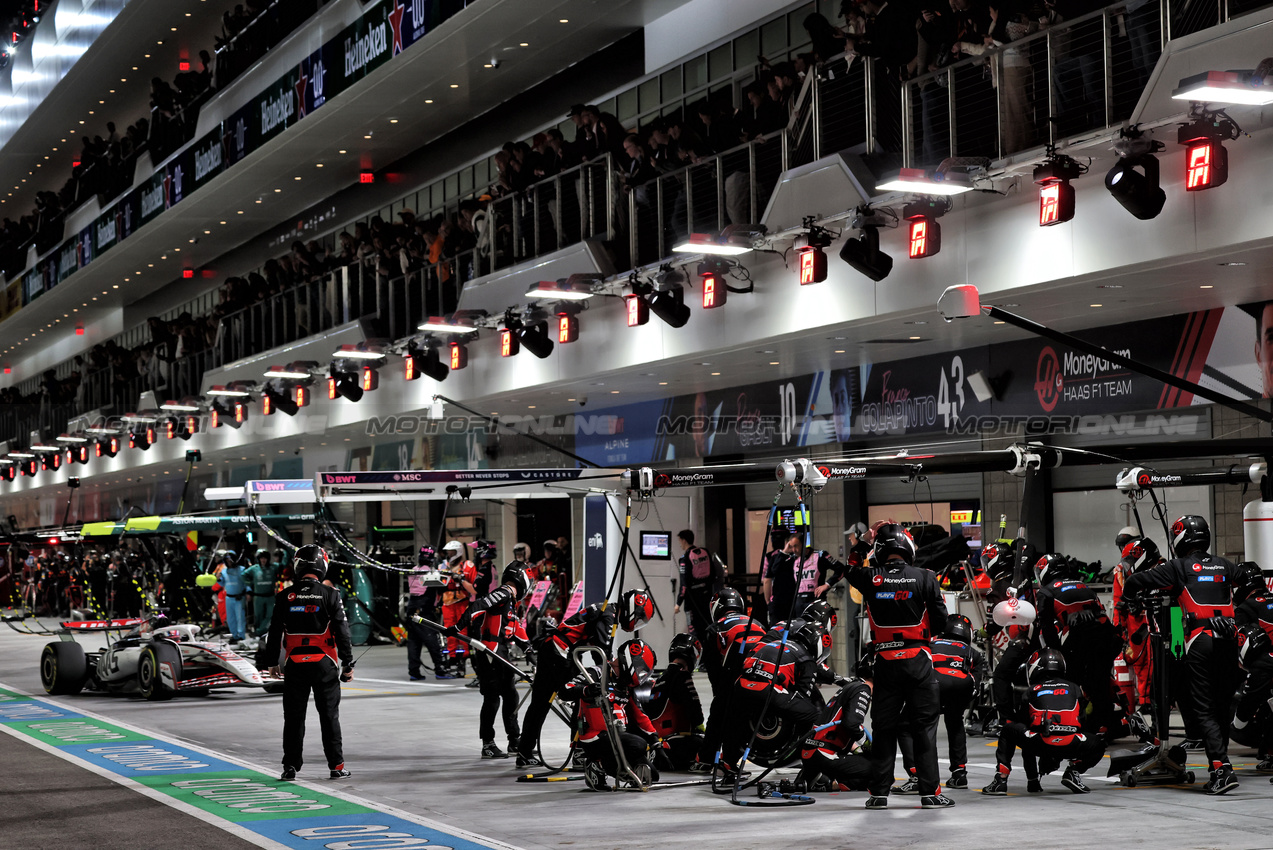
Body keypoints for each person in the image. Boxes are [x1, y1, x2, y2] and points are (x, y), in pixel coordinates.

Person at [1123, 515, 1242, 795]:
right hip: (1230, 640)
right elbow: (1251, 579)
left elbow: (1136, 582)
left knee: (1204, 709)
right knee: (1223, 708)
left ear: (1179, 540)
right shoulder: (1224, 565)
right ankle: (1217, 768)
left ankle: (1222, 769)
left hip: (1200, 642)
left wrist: (1129, 601)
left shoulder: (1177, 567)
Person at [845, 523, 953, 809]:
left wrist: (864, 542)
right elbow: (941, 619)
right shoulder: (926, 577)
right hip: (918, 660)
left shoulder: (870, 577)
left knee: (884, 728)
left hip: (885, 662)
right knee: (924, 727)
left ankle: (878, 794)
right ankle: (930, 793)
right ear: (908, 548)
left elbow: (850, 567)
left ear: (881, 550)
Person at [515, 588, 652, 767]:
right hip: (560, 653)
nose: (636, 623)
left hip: (552, 649)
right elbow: (602, 653)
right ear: (633, 609)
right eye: (639, 617)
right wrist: (612, 675)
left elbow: (598, 651)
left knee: (539, 705)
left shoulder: (606, 611)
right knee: (580, 696)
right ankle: (579, 751)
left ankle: (524, 751)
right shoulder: (608, 616)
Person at [263, 544, 354, 781]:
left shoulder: (284, 596)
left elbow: (273, 632)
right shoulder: (331, 594)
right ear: (323, 565)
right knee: (329, 716)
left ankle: (290, 767)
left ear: (298, 566)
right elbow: (342, 631)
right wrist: (348, 664)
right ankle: (336, 766)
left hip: (294, 664)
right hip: (324, 664)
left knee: (293, 717)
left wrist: (272, 661)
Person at [981, 649, 1105, 795]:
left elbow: (1025, 724)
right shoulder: (1074, 688)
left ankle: (1001, 780)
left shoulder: (1032, 690)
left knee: (1010, 730)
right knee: (1099, 743)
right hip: (1071, 743)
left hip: (1041, 742)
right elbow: (1082, 720)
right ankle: (1074, 771)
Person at [725, 618, 834, 775]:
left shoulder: (774, 643)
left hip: (740, 686)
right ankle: (810, 761)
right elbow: (803, 695)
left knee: (737, 718)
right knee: (814, 715)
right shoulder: (806, 659)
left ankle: (727, 762)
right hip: (766, 689)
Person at [1031, 554, 1119, 737]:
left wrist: (1055, 652)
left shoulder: (1046, 592)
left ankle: (1075, 720)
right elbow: (1100, 613)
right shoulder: (1083, 585)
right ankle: (1107, 722)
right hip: (1107, 637)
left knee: (1072, 680)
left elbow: (1046, 627)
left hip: (1080, 641)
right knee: (1099, 681)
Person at [896, 614, 984, 791]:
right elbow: (976, 684)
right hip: (962, 687)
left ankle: (915, 775)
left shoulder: (931, 643)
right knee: (955, 722)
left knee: (906, 725)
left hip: (934, 684)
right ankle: (959, 774)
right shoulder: (973, 652)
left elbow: (915, 667)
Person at [560, 639, 662, 790]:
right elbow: (565, 690)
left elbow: (640, 715)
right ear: (630, 661)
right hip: (595, 737)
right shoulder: (597, 672)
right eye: (640, 669)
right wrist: (586, 690)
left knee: (652, 776)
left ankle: (607, 767)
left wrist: (655, 741)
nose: (641, 675)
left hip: (618, 736)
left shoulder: (626, 686)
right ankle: (596, 764)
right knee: (638, 744)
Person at [462, 565, 532, 759]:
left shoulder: (509, 598)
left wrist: (528, 648)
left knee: (511, 697)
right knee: (492, 700)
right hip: (488, 652)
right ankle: (488, 744)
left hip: (500, 652)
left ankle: (514, 741)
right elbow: (478, 605)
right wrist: (458, 626)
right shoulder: (503, 593)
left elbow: (515, 626)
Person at [695, 588, 766, 772]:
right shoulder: (757, 623)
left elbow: (714, 670)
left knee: (720, 711)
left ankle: (706, 759)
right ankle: (732, 758)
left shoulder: (715, 628)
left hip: (734, 676)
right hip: (764, 676)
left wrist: (719, 693)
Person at [799, 655, 874, 792]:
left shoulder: (851, 686)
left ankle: (818, 777)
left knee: (866, 766)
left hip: (813, 752)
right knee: (881, 769)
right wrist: (868, 745)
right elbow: (851, 724)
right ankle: (828, 781)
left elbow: (839, 725)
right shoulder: (863, 689)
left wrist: (858, 750)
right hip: (824, 753)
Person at [646, 633, 706, 771]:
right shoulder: (683, 675)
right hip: (676, 743)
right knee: (710, 744)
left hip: (657, 743)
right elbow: (696, 716)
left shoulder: (658, 680)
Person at [1231, 625, 1273, 771]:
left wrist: (1230, 725)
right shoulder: (1268, 659)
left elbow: (1243, 715)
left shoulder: (1260, 668)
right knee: (1268, 705)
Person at [405, 545, 450, 680]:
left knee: (414, 642)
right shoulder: (431, 573)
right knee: (432, 640)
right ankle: (440, 670)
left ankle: (414, 672)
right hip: (424, 610)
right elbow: (444, 586)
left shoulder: (413, 570)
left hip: (411, 609)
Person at [675, 529, 725, 640]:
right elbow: (713, 575)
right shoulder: (705, 552)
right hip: (707, 597)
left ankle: (698, 653)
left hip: (692, 600)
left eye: (680, 540)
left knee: (694, 631)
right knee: (708, 626)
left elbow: (684, 584)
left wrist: (678, 603)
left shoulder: (685, 558)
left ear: (683, 540)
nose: (680, 544)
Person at [440, 540, 476, 677]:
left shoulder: (467, 565)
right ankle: (452, 656)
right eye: (448, 552)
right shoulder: (443, 565)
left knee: (463, 629)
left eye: (452, 552)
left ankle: (465, 656)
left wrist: (461, 579)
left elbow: (474, 584)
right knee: (448, 630)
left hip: (462, 601)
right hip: (447, 602)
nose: (449, 554)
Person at [243, 550, 279, 639]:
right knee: (258, 616)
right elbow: (243, 575)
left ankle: (260, 631)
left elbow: (284, 564)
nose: (263, 560)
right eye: (261, 558)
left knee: (270, 615)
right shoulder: (254, 568)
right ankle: (258, 634)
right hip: (258, 597)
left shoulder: (273, 567)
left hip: (270, 596)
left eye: (265, 558)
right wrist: (250, 584)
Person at [215, 551, 248, 643]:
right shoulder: (224, 571)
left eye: (230, 560)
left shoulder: (242, 570)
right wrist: (218, 579)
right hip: (228, 598)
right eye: (227, 560)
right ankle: (234, 635)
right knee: (230, 618)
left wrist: (248, 592)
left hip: (239, 597)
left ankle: (241, 635)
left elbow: (246, 582)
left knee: (240, 618)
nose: (229, 562)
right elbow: (222, 583)